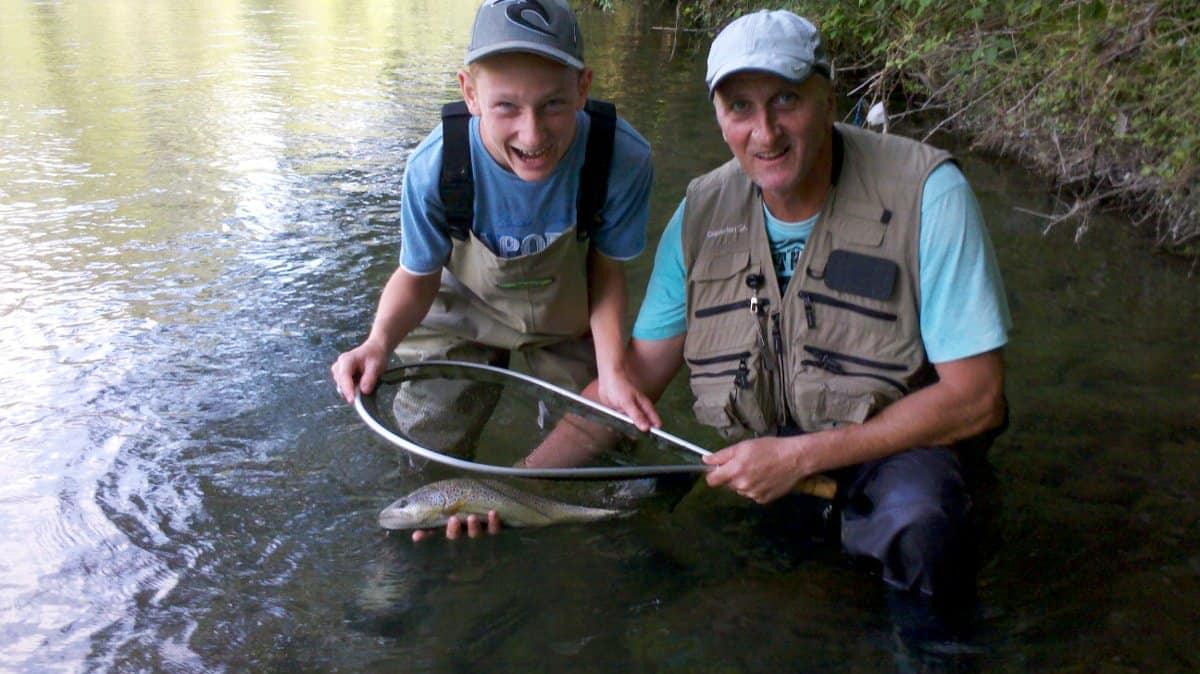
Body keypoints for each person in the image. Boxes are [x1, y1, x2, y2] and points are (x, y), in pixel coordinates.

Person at [444, 9, 1012, 628]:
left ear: (829, 96)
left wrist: (801, 458)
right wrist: (512, 486)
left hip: (900, 456)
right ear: (719, 117)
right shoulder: (701, 214)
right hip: (774, 473)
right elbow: (627, 387)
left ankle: (939, 648)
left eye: (786, 100)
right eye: (740, 107)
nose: (764, 132)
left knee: (919, 525)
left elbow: (976, 397)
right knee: (668, 579)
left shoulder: (928, 192)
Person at [331, 0, 657, 501]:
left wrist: (613, 373)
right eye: (507, 106)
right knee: (425, 462)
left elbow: (608, 271)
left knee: (595, 456)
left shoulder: (622, 159)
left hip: (570, 316)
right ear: (470, 93)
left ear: (584, 87)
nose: (532, 134)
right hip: (462, 311)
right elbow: (417, 278)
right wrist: (377, 342)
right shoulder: (434, 168)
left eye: (553, 104)